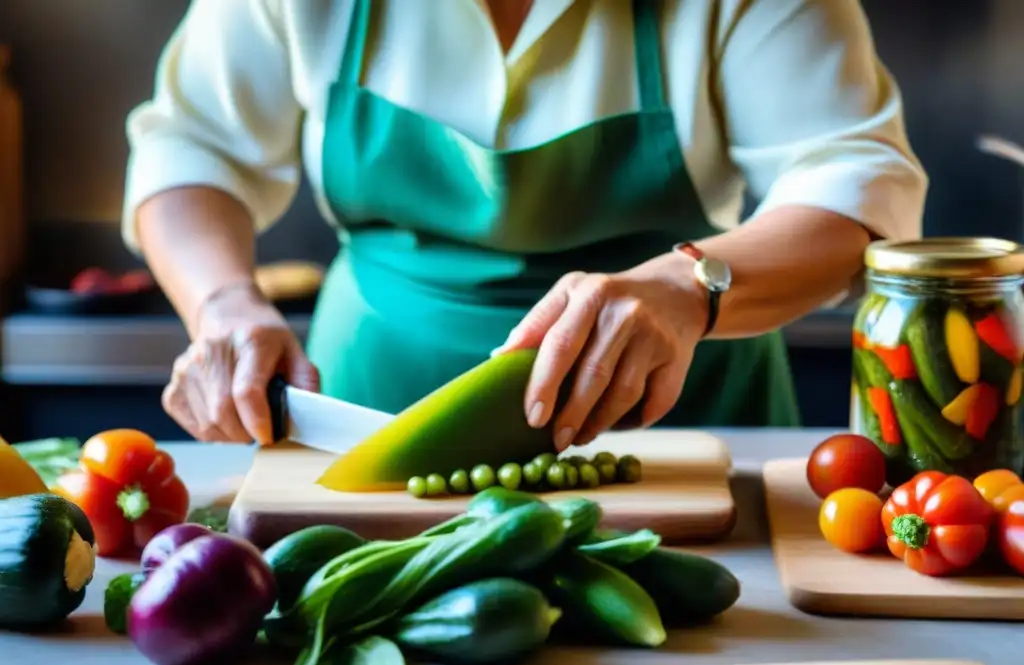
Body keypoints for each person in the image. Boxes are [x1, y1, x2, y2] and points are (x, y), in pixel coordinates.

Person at [123, 0, 927, 451]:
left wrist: (687, 285)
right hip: (364, 411)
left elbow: (856, 183)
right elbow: (193, 149)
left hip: (684, 425)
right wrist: (224, 302)